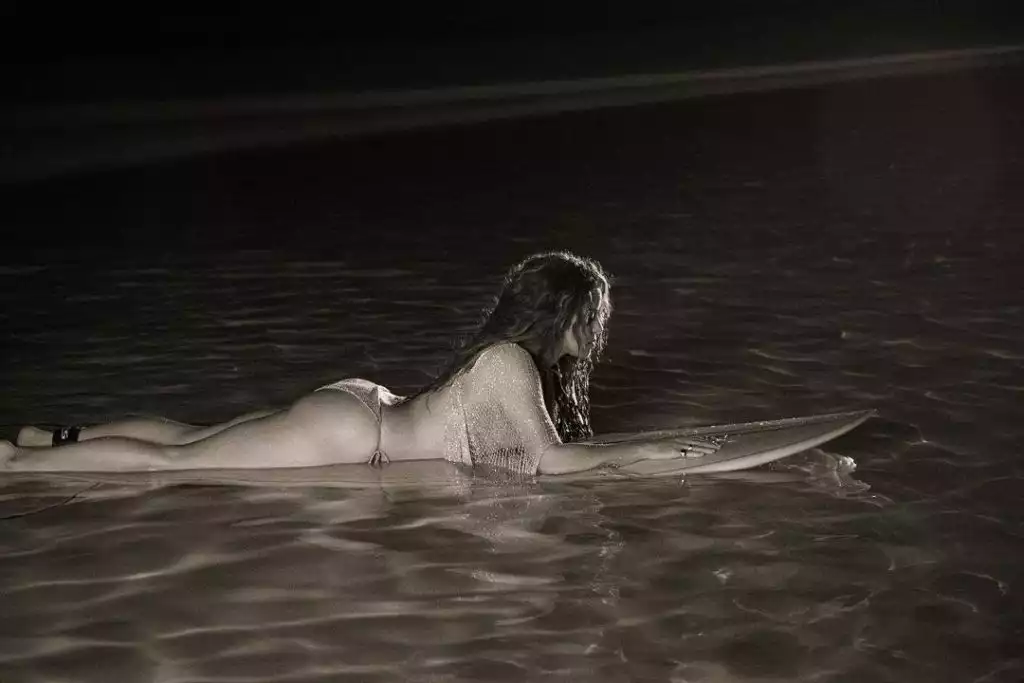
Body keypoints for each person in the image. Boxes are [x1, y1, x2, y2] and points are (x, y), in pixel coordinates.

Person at [1, 251, 720, 475]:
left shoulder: (515, 363)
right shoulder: (509, 361)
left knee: (190, 436)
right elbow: (551, 460)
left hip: (358, 411)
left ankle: (48, 438)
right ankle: (13, 464)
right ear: (561, 315)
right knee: (177, 465)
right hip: (350, 433)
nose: (598, 328)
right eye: (592, 314)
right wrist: (649, 450)